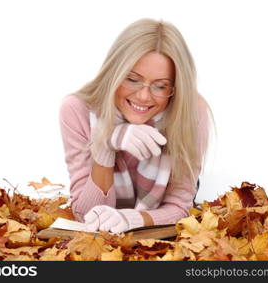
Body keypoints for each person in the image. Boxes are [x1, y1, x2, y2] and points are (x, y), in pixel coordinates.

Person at [59, 18, 214, 234]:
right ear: (114, 73)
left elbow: (179, 207)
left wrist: (131, 218)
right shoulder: (78, 110)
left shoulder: (191, 110)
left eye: (161, 86)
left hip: (156, 211)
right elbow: (85, 215)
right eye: (132, 79)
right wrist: (106, 143)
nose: (143, 96)